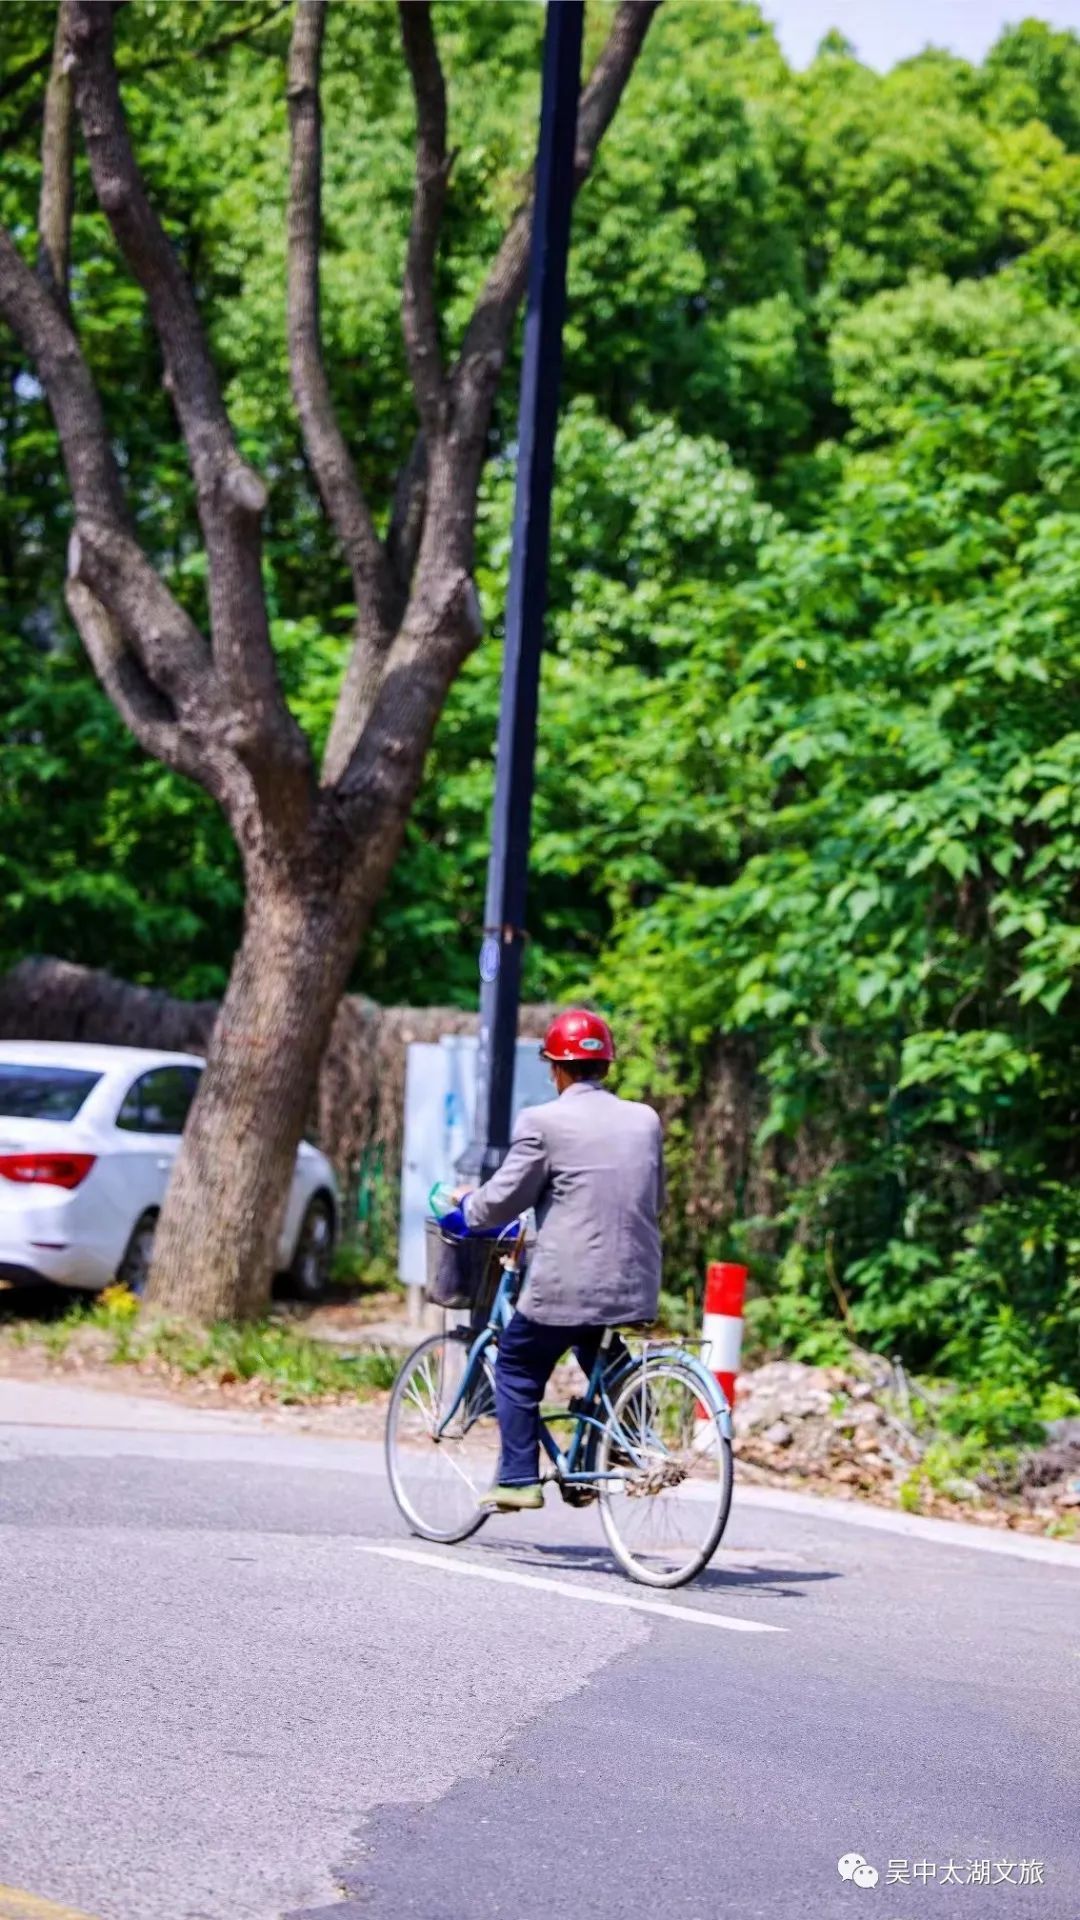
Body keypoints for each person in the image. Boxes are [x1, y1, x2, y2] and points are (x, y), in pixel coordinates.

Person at [453, 1007, 665, 1512]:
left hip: (567, 1283)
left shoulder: (543, 1121)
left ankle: (518, 1480)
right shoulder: (645, 1119)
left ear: (556, 1068)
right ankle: (621, 1437)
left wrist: (465, 1204)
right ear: (607, 1067)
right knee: (598, 1347)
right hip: (636, 1281)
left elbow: (500, 1202)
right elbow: (648, 1198)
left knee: (517, 1367)